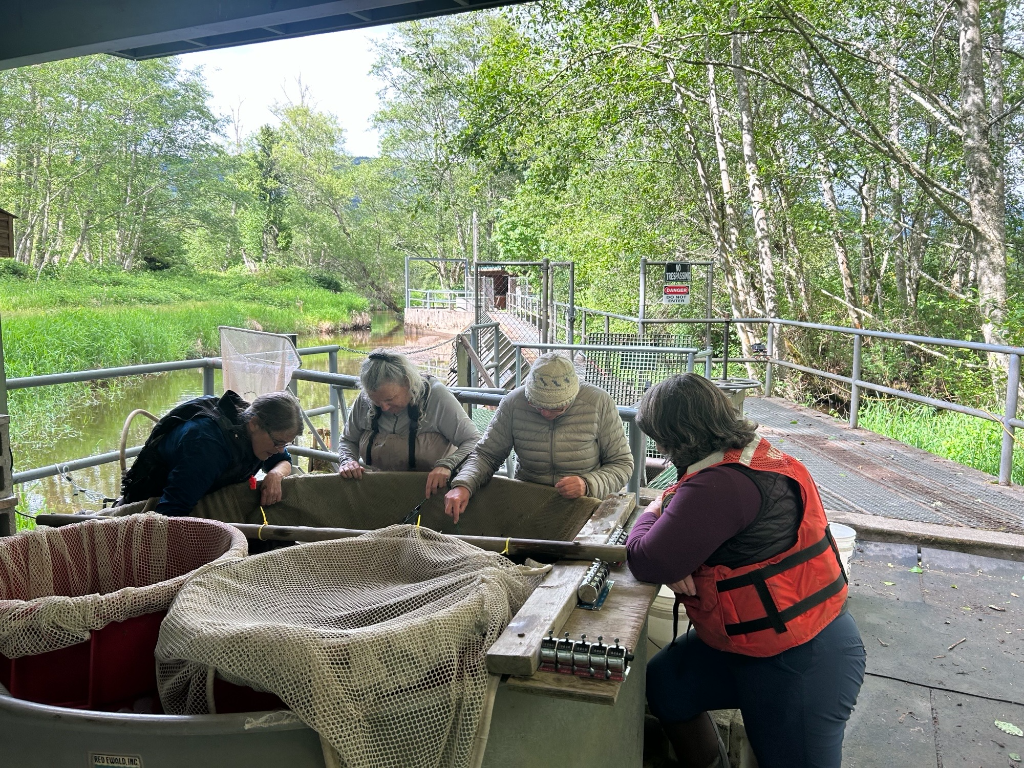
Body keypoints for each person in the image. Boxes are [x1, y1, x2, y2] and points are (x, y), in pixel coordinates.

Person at [626, 373, 865, 768]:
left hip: (803, 658)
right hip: (753, 642)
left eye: (659, 439)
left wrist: (650, 513)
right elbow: (681, 521)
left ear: (678, 436)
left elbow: (647, 560)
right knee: (668, 684)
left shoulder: (720, 486)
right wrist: (673, 542)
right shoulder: (745, 454)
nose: (658, 447)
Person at [444, 352, 634, 522]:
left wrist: (588, 484)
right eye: (537, 406)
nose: (545, 413)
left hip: (585, 507)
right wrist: (464, 484)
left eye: (556, 408)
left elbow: (622, 464)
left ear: (572, 397)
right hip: (528, 504)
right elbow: (486, 455)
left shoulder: (599, 402)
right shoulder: (513, 403)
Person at [119, 390, 303, 516]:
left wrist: (275, 474)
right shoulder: (208, 446)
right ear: (254, 423)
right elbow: (170, 513)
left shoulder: (254, 429)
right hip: (148, 508)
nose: (280, 449)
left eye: (285, 444)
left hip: (201, 502)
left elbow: (284, 460)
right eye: (278, 443)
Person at [336, 349, 480, 499]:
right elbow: (348, 440)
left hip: (433, 495)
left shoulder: (436, 396)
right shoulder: (365, 399)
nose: (384, 407)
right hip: (380, 491)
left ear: (407, 382)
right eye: (376, 402)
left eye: (390, 399)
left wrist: (448, 465)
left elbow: (474, 441)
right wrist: (348, 461)